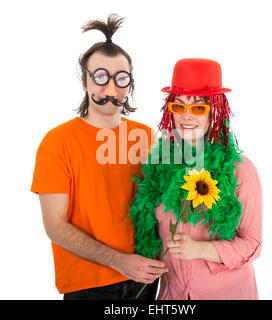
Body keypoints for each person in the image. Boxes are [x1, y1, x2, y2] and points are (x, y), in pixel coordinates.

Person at [30, 14, 167, 300]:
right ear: (85, 81)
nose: (111, 90)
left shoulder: (146, 137)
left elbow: (164, 203)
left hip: (145, 281)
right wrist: (120, 261)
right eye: (101, 77)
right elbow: (54, 226)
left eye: (121, 79)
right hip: (88, 286)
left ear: (130, 84)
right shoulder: (57, 142)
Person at [129, 58, 263, 300]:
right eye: (179, 106)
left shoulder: (240, 170)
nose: (186, 116)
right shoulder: (159, 167)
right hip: (173, 296)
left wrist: (201, 249)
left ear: (216, 112)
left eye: (198, 108)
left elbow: (253, 244)